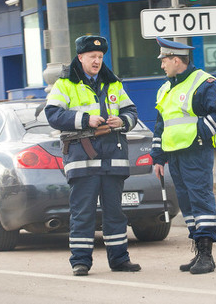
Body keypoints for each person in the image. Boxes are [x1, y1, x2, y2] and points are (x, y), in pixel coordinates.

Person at [45, 35, 141, 276]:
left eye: (100, 57)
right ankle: (80, 262)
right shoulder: (65, 84)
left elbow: (131, 110)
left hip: (113, 159)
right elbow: (53, 114)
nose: (97, 61)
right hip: (82, 159)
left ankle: (119, 260)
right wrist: (85, 120)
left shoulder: (113, 83)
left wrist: (123, 120)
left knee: (115, 213)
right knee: (82, 213)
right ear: (80, 57)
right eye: (92, 57)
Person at [151, 37, 216, 275]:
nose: (162, 65)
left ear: (176, 60)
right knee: (187, 203)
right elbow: (161, 124)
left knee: (200, 200)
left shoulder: (205, 83)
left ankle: (207, 256)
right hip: (175, 155)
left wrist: (198, 134)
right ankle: (199, 250)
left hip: (196, 152)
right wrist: (158, 156)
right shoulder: (166, 87)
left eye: (164, 60)